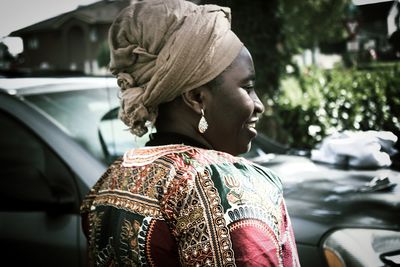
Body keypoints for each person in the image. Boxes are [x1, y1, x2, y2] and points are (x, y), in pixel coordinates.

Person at [80, 0, 300, 266]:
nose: (259, 105)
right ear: (197, 97)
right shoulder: (228, 187)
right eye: (248, 87)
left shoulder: (114, 179)